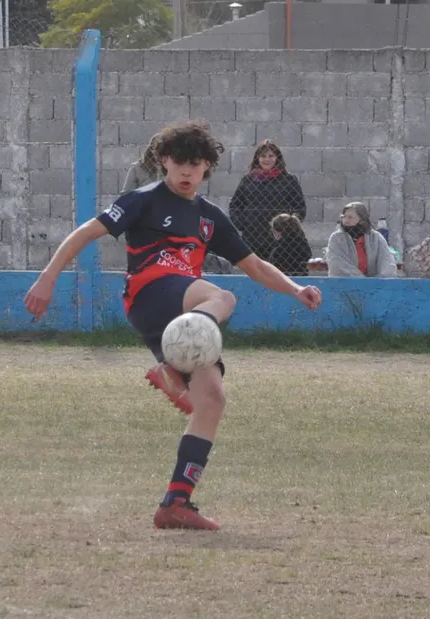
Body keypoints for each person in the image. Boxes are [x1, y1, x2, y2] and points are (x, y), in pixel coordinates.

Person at [23, 120, 322, 531]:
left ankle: (175, 502)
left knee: (212, 400)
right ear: (163, 161)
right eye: (180, 162)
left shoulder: (209, 217)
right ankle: (172, 367)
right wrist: (48, 276)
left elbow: (254, 265)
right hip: (150, 295)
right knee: (224, 298)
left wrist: (295, 288)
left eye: (196, 164)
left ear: (207, 168)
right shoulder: (143, 199)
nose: (187, 171)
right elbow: (85, 233)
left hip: (181, 311)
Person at [228, 140, 307, 259]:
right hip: (253, 239)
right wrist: (244, 224)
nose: (267, 159)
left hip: (282, 241)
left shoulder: (288, 180)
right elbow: (235, 205)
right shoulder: (248, 180)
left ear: (277, 158)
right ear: (257, 158)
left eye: (271, 156)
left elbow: (300, 207)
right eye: (263, 156)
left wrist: (289, 227)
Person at [326, 202, 397, 278]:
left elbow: (387, 263)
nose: (346, 221)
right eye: (344, 217)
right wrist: (363, 281)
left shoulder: (376, 238)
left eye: (350, 217)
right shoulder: (336, 238)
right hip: (344, 285)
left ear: (361, 219)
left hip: (374, 286)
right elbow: (337, 265)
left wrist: (378, 282)